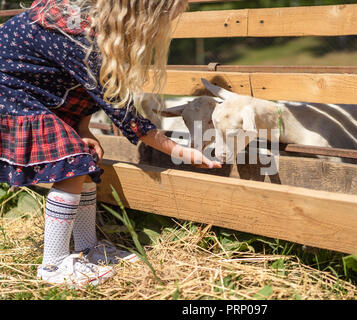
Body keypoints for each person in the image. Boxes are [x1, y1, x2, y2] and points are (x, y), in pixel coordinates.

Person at [0, 0, 221, 288]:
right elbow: (123, 113)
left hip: (38, 90)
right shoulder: (79, 36)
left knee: (85, 162)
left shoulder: (91, 26)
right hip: (11, 93)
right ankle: (53, 265)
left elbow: (88, 84)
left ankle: (88, 248)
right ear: (142, 15)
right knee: (72, 165)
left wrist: (83, 127)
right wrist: (181, 151)